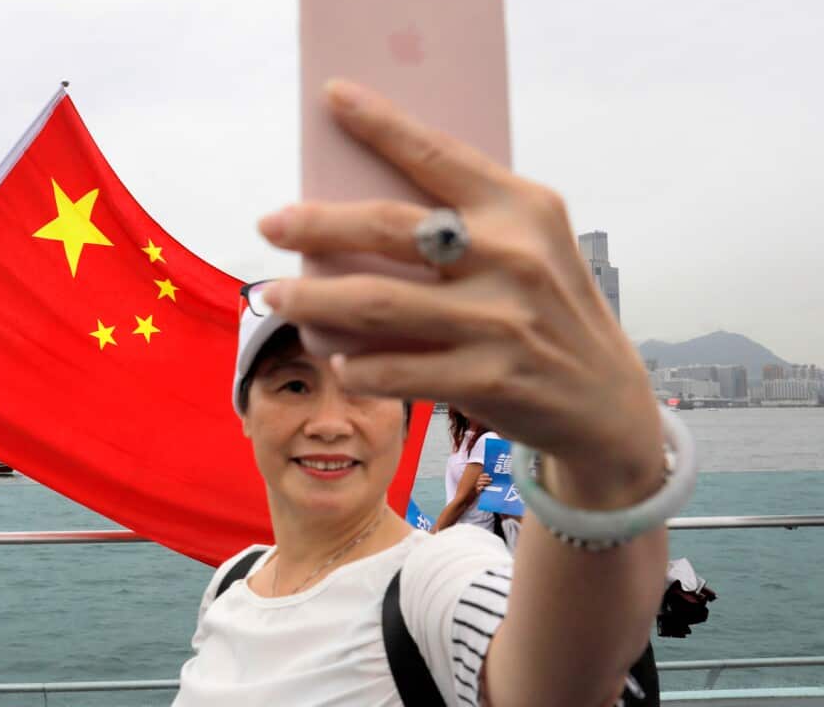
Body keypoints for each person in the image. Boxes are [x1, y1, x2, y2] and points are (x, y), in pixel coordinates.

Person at [173, 79, 691, 706]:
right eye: (293, 385)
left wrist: (598, 451)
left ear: (406, 416)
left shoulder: (436, 576)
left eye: (365, 384)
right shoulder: (232, 582)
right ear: (246, 413)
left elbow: (554, 685)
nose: (330, 421)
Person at [432, 407, 500, 534]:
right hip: (460, 531)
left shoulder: (487, 438)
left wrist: (430, 538)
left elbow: (462, 501)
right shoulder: (466, 436)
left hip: (474, 533)